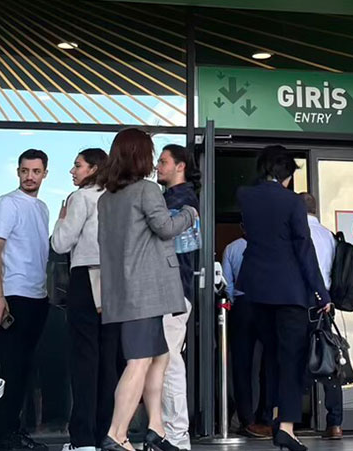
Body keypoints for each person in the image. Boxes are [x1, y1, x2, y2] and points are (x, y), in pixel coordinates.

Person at [96, 129, 197, 451]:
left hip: (125, 289)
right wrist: (190, 214)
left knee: (159, 358)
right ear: (140, 155)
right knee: (139, 362)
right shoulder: (147, 190)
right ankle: (117, 434)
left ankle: (156, 427)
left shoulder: (106, 199)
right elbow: (165, 228)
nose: (154, 161)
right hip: (146, 292)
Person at [236, 146, 331, 451]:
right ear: (287, 174)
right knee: (291, 360)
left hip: (256, 290)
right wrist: (321, 292)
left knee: (271, 357)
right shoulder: (292, 202)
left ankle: (272, 417)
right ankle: (286, 427)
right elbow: (304, 248)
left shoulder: (245, 196)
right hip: (289, 292)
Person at [52, 148, 120, 451]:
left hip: (85, 279)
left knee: (84, 361)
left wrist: (60, 219)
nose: (72, 171)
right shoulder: (117, 197)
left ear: (93, 168)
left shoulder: (80, 198)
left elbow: (60, 243)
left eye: (77, 165)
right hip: (115, 282)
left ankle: (82, 438)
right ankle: (105, 434)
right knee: (108, 362)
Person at [0, 150, 51, 451]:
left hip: (38, 297)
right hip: (14, 295)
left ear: (45, 174)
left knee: (24, 368)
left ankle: (13, 431)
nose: (29, 176)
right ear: (17, 172)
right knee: (10, 368)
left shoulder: (42, 208)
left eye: (35, 171)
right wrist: (0, 295)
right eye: (24, 171)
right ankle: (5, 434)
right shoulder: (8, 203)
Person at [155, 144, 200, 451]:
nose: (158, 166)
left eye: (163, 161)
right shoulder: (173, 198)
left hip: (174, 290)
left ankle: (177, 436)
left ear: (180, 166)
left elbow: (169, 242)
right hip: (171, 290)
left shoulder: (183, 200)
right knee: (163, 360)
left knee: (169, 360)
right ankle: (165, 432)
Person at [299, 193, 343, 441]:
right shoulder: (329, 236)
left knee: (294, 357)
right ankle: (334, 423)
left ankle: (288, 420)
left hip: (302, 301)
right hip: (325, 303)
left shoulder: (298, 235)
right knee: (328, 361)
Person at [223, 227, 273, 438]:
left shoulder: (232, 248)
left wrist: (232, 301)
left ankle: (247, 420)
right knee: (269, 363)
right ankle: (266, 417)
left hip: (242, 306)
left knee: (241, 365)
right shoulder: (270, 246)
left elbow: (226, 284)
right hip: (267, 305)